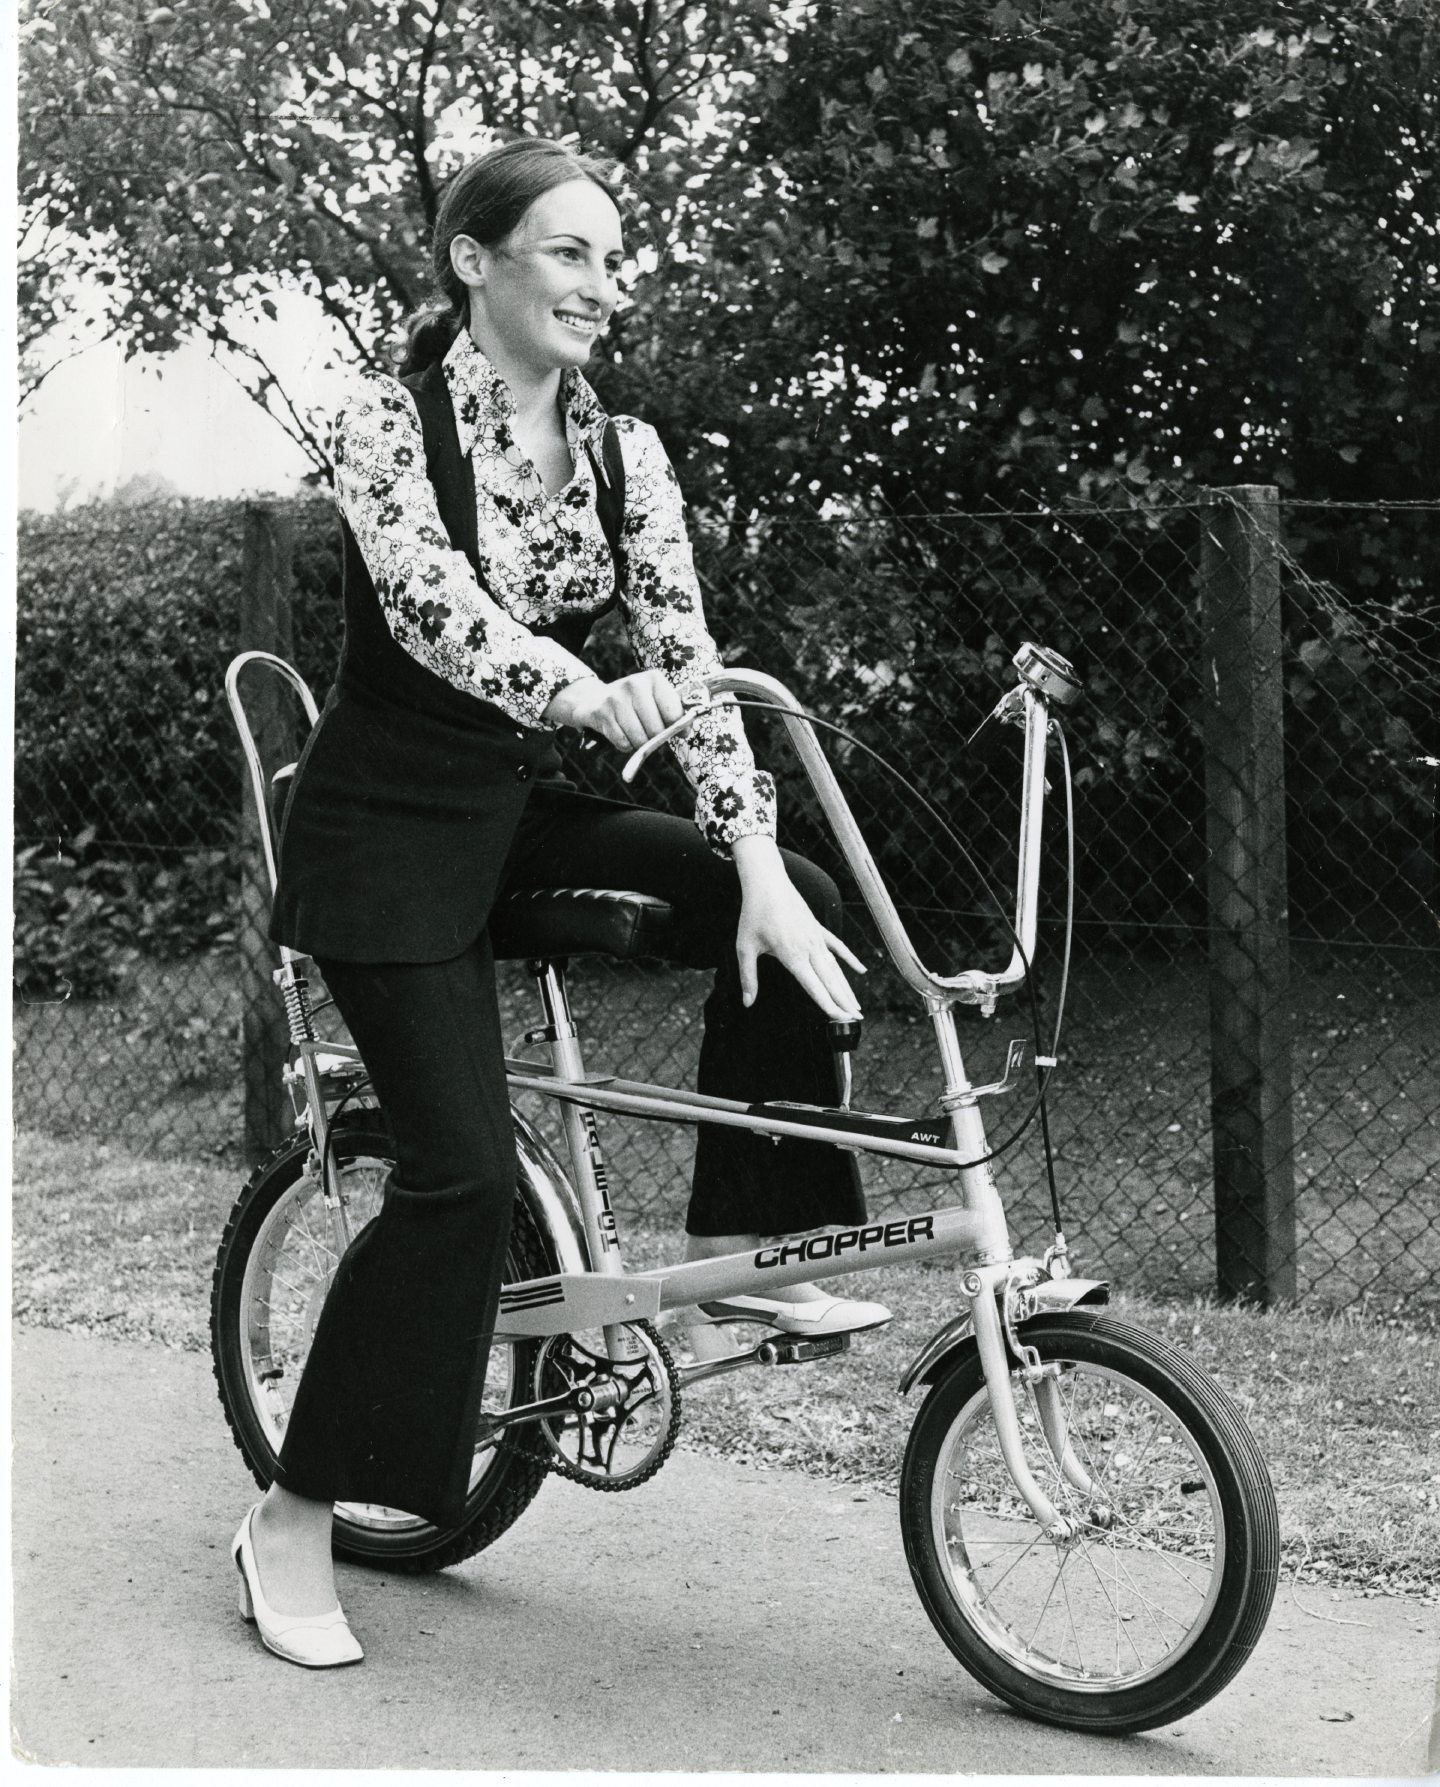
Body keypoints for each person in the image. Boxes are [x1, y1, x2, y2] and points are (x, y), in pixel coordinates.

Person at [231, 136, 889, 1670]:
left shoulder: (624, 449)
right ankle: (294, 1515)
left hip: (521, 814)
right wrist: (592, 699)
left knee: (777, 888)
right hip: (389, 835)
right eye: (575, 253)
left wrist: (749, 865)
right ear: (478, 261)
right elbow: (434, 610)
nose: (610, 283)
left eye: (616, 255)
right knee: (457, 1177)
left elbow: (698, 661)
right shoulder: (384, 420)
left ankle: (757, 1261)